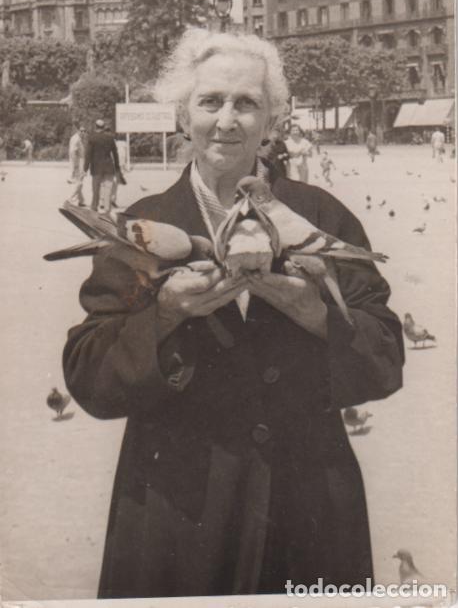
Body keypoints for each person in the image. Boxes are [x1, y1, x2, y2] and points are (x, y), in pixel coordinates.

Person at [63, 29, 404, 599]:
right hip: (178, 509)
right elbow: (88, 376)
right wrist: (165, 313)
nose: (227, 120)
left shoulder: (321, 214)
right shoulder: (145, 221)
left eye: (247, 103)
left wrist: (317, 315)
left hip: (308, 508)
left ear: (272, 119)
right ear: (181, 116)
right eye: (211, 101)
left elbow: (387, 356)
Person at [84, 119, 121, 214]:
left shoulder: (92, 138)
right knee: (108, 190)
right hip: (109, 167)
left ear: (95, 126)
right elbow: (115, 154)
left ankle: (94, 208)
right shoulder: (110, 138)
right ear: (104, 127)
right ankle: (107, 210)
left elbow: (88, 154)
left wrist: (85, 168)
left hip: (96, 168)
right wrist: (117, 167)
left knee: (96, 189)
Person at [68, 124, 87, 206]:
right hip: (78, 164)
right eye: (81, 130)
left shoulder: (78, 138)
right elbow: (72, 152)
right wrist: (75, 164)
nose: (83, 132)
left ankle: (81, 200)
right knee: (79, 183)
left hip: (79, 163)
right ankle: (70, 199)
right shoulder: (76, 139)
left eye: (84, 131)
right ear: (77, 130)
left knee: (79, 183)